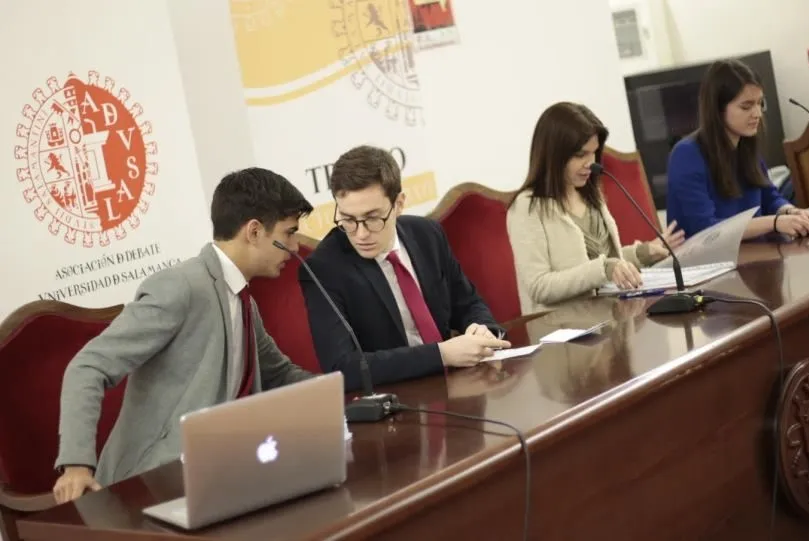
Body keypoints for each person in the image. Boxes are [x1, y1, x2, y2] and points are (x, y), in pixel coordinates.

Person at [53, 168, 316, 504]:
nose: (295, 247)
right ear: (253, 231)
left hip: (220, 473)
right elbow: (88, 366)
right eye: (289, 233)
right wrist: (77, 465)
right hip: (150, 486)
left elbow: (279, 374)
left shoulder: (243, 300)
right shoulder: (180, 287)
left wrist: (345, 393)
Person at [300, 145, 510, 392]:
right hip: (395, 397)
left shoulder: (427, 234)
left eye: (372, 218)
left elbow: (468, 302)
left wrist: (482, 328)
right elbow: (343, 367)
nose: (361, 233)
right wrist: (440, 355)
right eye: (348, 219)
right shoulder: (324, 269)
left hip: (458, 385)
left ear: (399, 203)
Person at [506, 102, 685, 314]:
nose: (590, 163)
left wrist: (642, 253)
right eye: (580, 155)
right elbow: (539, 286)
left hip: (611, 315)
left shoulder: (589, 193)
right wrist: (606, 268)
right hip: (565, 327)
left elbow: (601, 262)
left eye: (594, 152)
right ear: (553, 155)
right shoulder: (527, 207)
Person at [666, 59, 809, 239]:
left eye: (760, 103)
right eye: (746, 106)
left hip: (755, 251)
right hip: (711, 255)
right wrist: (774, 222)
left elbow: (769, 197)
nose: (757, 114)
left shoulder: (745, 145)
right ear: (717, 109)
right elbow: (706, 229)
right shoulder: (686, 154)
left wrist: (791, 212)